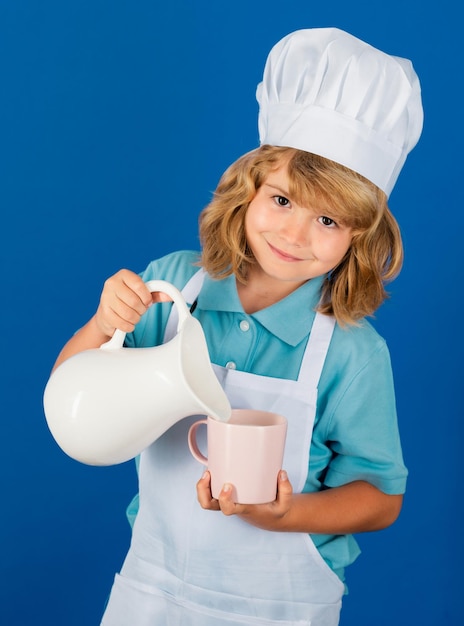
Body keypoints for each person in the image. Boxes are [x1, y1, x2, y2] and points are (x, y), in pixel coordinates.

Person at [51, 27, 423, 625]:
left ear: (362, 235)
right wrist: (102, 324)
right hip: (152, 591)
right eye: (281, 201)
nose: (294, 235)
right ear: (248, 189)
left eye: (327, 219)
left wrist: (285, 514)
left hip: (280, 607)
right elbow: (73, 398)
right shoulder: (172, 290)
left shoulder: (351, 353)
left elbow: (381, 499)